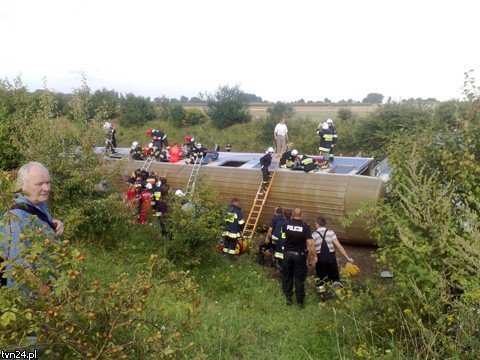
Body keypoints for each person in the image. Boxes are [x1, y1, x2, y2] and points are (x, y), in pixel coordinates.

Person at [0, 162, 64, 287]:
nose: (47, 188)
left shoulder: (37, 205)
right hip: (35, 298)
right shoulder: (15, 219)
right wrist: (42, 297)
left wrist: (53, 225)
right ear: (22, 186)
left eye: (48, 182)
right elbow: (19, 269)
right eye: (39, 184)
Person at [281, 207, 317, 308]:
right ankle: (300, 302)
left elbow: (284, 237)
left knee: (287, 276)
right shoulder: (305, 226)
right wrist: (314, 256)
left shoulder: (285, 224)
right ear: (302, 215)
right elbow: (309, 243)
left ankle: (288, 298)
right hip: (299, 256)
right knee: (299, 279)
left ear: (293, 215)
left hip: (287, 254)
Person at [312, 215, 353, 292]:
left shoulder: (314, 235)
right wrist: (348, 258)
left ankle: (323, 297)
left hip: (320, 259)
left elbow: (311, 248)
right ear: (324, 224)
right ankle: (338, 293)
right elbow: (339, 246)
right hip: (331, 258)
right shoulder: (331, 233)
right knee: (334, 277)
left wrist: (312, 259)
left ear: (317, 224)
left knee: (320, 279)